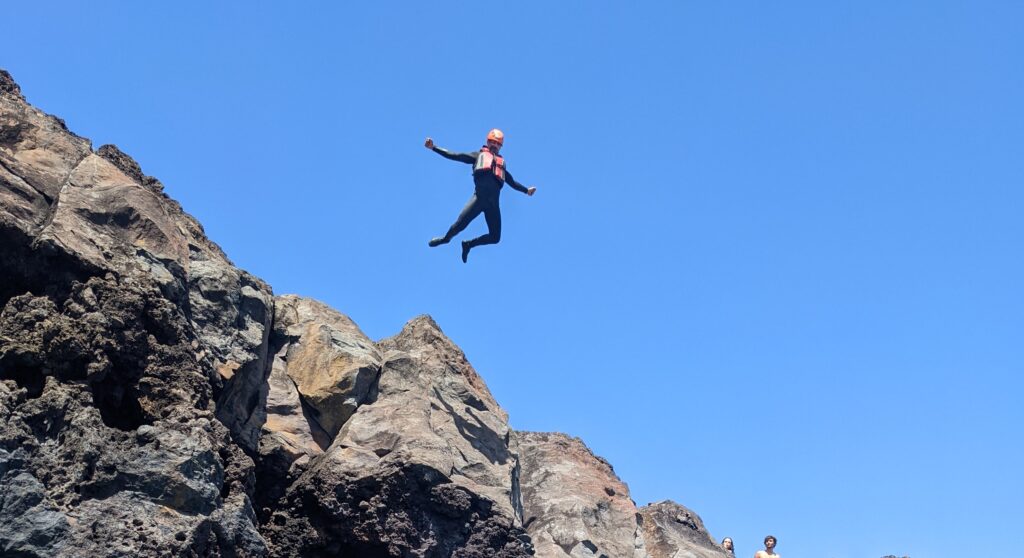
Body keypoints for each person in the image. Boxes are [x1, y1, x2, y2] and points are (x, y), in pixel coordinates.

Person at [424, 129, 536, 262]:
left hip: (493, 205)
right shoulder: (478, 156)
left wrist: (526, 190)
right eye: (492, 142)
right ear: (487, 142)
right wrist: (434, 147)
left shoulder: (501, 166)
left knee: (495, 238)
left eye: (498, 143)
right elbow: (456, 155)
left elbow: (512, 182)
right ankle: (445, 239)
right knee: (459, 225)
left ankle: (468, 244)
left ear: (501, 146)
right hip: (478, 200)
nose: (494, 145)